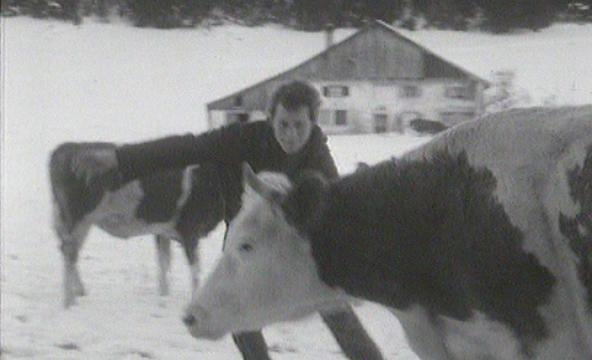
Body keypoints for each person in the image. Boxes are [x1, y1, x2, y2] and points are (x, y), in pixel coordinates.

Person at [76, 81, 384, 360]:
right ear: (270, 118)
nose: (290, 135)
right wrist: (121, 159)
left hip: (294, 248)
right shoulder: (243, 139)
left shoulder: (317, 155)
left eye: (299, 126)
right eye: (283, 124)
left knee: (336, 309)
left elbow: (329, 205)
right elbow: (186, 148)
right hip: (245, 238)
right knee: (237, 313)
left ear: (313, 122)